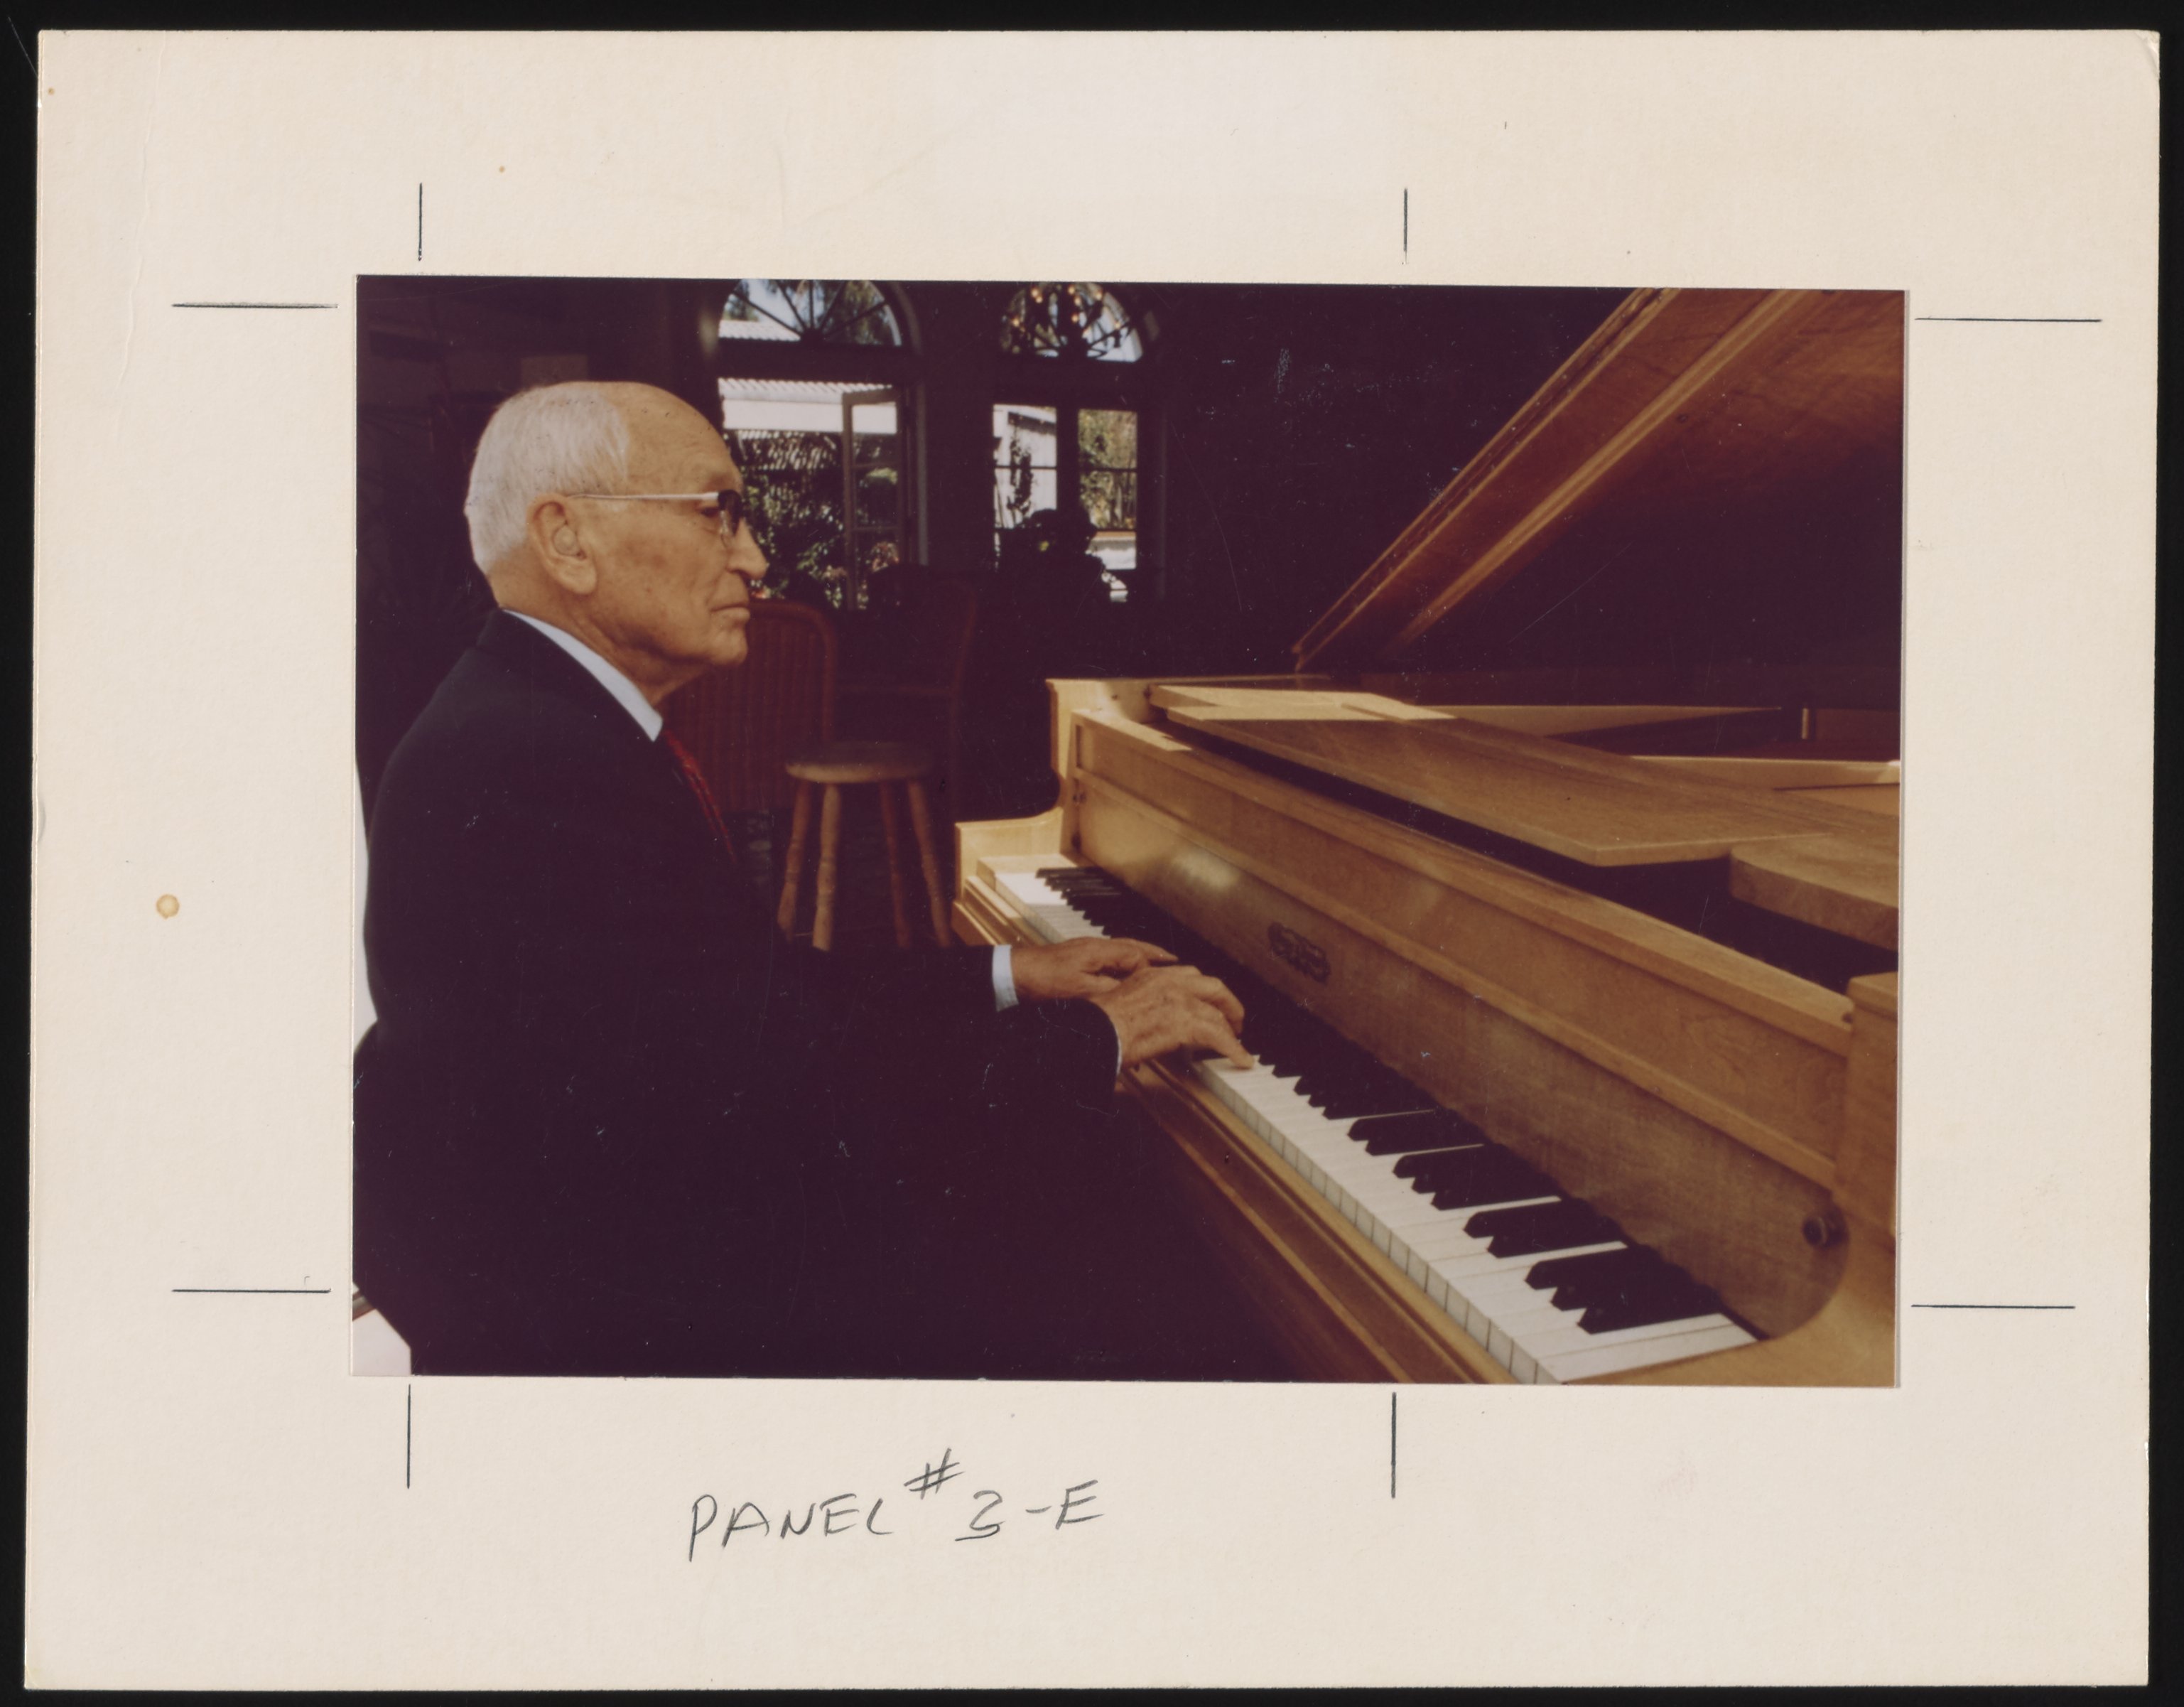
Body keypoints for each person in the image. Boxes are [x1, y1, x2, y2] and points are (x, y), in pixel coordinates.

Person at [353, 382, 1256, 1379]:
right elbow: (774, 1098)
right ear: (568, 540)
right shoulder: (535, 768)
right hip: (613, 1310)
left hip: (612, 1233)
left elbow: (757, 1003)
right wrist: (1099, 1037)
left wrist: (1007, 975)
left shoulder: (540, 718)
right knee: (1106, 1254)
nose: (752, 557)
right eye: (717, 513)